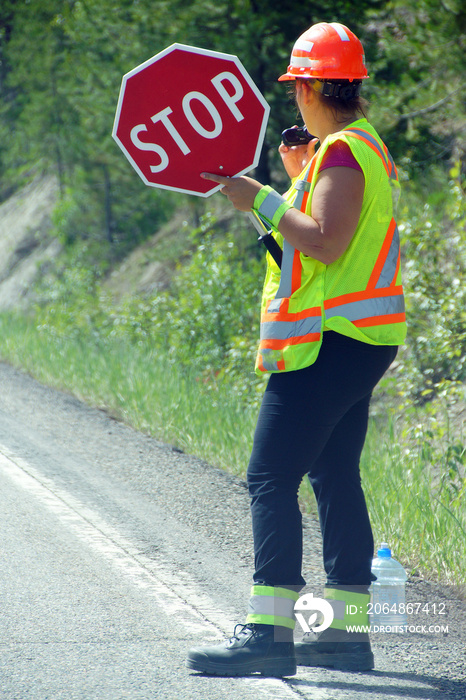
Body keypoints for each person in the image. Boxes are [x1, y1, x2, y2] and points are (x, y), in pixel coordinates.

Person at [186, 21, 406, 677]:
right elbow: (306, 250)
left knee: (269, 475)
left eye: (296, 86)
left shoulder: (342, 154)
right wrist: (288, 186)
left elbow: (326, 241)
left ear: (309, 85)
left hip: (330, 344)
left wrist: (257, 193)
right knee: (333, 475)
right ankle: (344, 634)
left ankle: (269, 635)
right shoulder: (355, 149)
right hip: (357, 340)